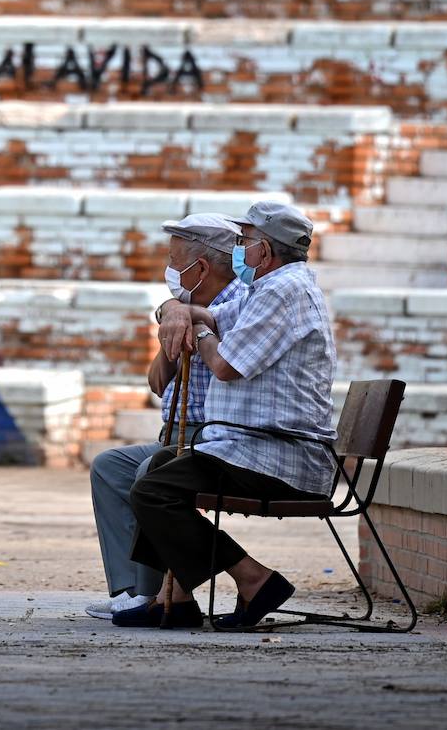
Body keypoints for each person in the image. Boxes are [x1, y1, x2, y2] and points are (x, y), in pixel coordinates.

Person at [117, 200, 336, 629]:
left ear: (266, 252)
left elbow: (225, 365)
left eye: (246, 241)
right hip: (251, 446)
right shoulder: (268, 287)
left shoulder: (282, 291)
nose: (240, 250)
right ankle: (174, 597)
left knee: (154, 490)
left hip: (280, 453)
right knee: (161, 466)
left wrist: (197, 331)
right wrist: (176, 309)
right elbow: (211, 314)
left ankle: (254, 578)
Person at [86, 214, 245, 620]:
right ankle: (128, 590)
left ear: (202, 268)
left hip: (211, 437)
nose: (170, 270)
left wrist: (186, 316)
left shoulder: (236, 307)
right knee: (109, 466)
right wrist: (173, 315)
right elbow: (158, 382)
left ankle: (153, 594)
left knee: (148, 473)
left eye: (175, 260)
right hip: (173, 432)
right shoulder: (186, 307)